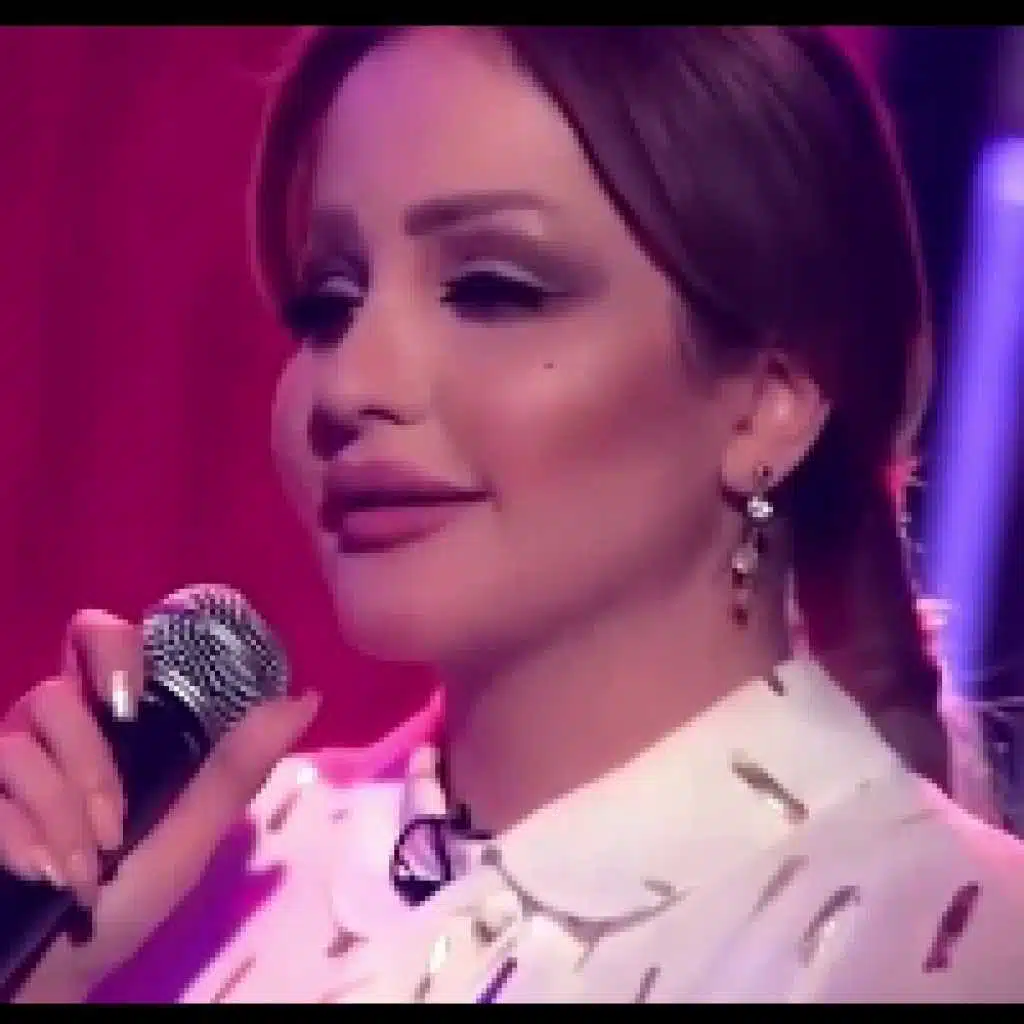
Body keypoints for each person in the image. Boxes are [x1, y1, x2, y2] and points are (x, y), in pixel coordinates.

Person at [2, 25, 1024, 1003]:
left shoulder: (953, 949)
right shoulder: (206, 881)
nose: (351, 382)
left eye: (492, 290)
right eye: (328, 302)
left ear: (769, 401)